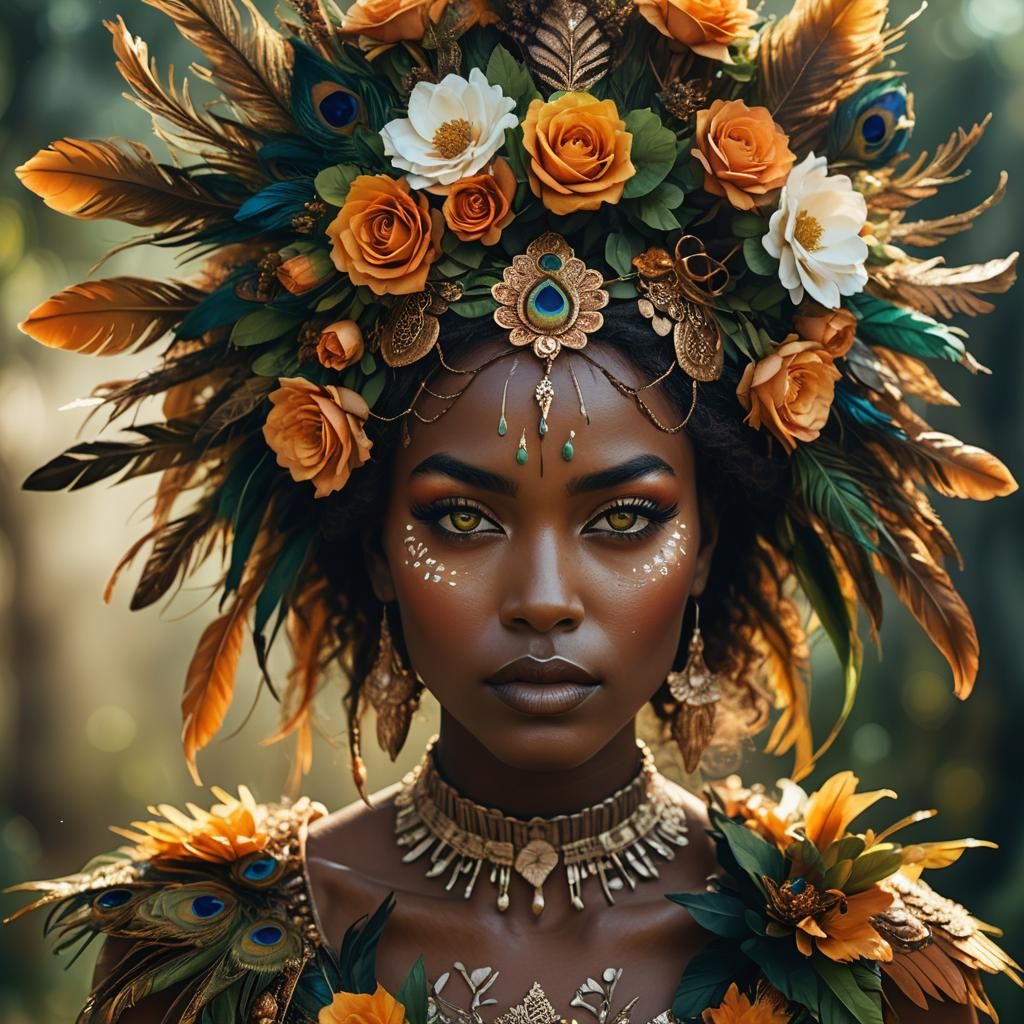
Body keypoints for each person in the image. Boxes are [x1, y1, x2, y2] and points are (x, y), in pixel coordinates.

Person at [5, 0, 1021, 1021]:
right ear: (372, 547)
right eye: (462, 519)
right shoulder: (204, 962)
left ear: (705, 545)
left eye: (623, 518)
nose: (543, 598)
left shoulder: (874, 968)